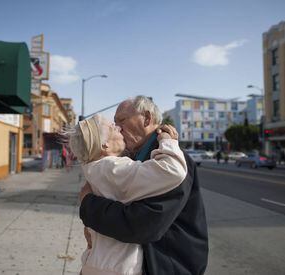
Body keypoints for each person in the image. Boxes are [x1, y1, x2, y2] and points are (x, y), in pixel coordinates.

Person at [79, 96, 208, 275]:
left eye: (121, 120)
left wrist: (87, 204)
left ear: (147, 118)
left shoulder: (172, 160)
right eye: (114, 124)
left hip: (167, 265)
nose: (117, 128)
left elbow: (141, 225)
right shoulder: (132, 158)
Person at [68, 114, 187, 274]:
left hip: (97, 262)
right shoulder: (112, 167)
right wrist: (168, 141)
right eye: (112, 127)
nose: (119, 128)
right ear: (104, 145)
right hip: (117, 267)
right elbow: (173, 170)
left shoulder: (93, 169)